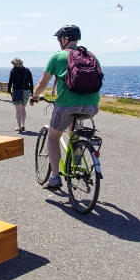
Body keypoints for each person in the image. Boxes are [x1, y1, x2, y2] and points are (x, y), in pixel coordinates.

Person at [30, 25, 101, 189]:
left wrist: (34, 97)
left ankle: (55, 177)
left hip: (66, 106)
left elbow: (42, 83)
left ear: (64, 40)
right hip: (91, 106)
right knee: (73, 122)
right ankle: (76, 152)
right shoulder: (91, 55)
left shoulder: (58, 56)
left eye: (58, 39)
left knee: (53, 137)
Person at [7, 58, 34, 132]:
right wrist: (32, 92)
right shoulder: (27, 70)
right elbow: (31, 82)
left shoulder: (13, 71)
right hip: (26, 91)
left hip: (17, 91)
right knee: (23, 108)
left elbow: (10, 82)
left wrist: (9, 91)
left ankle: (19, 127)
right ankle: (23, 125)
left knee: (18, 110)